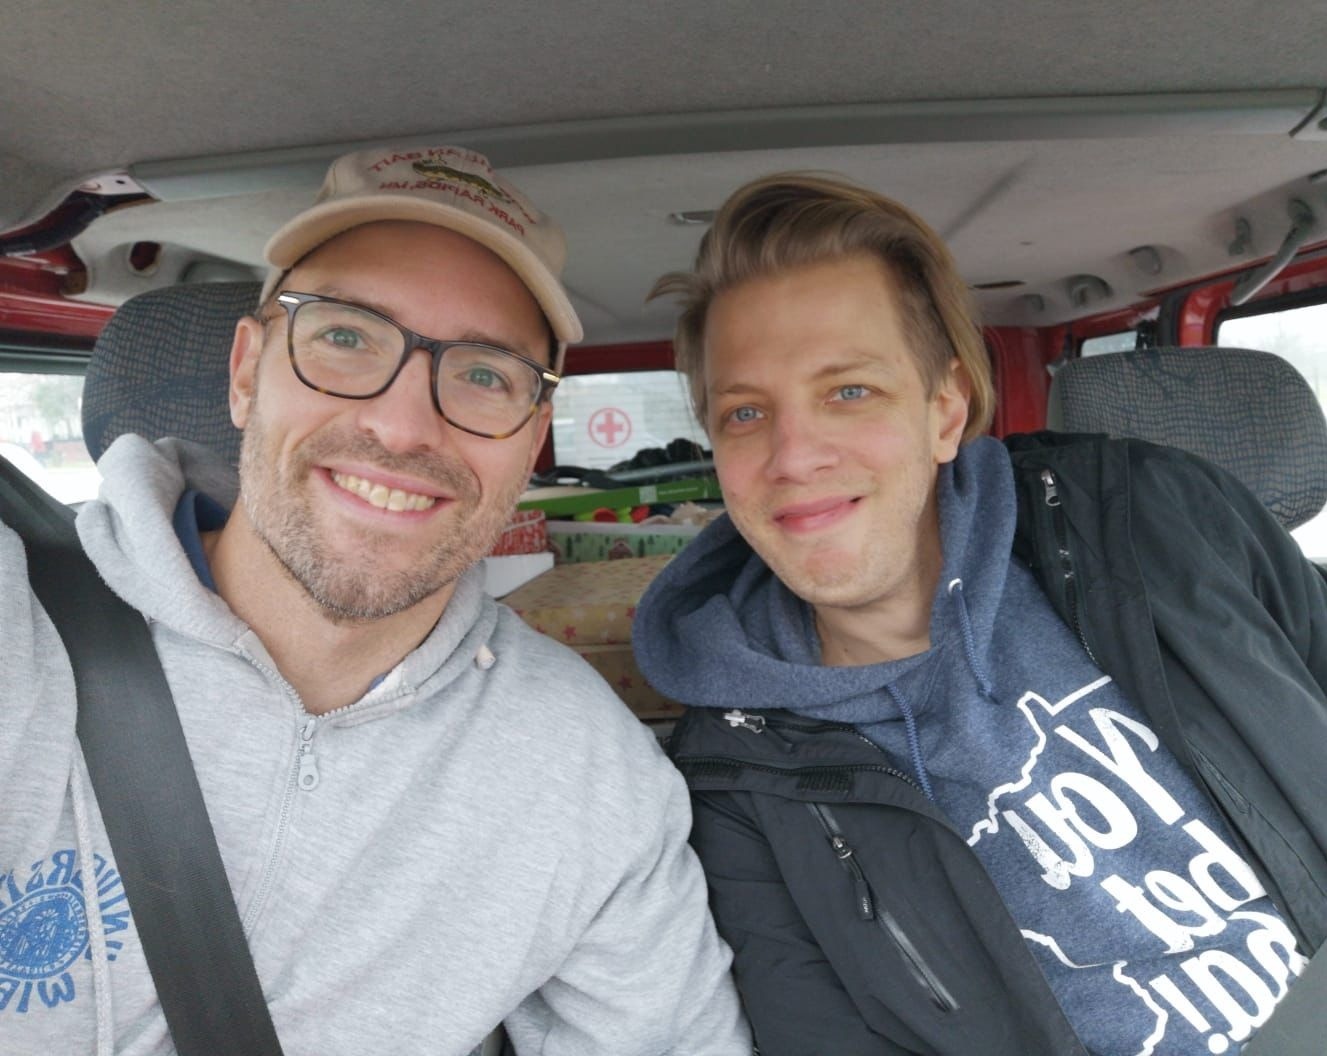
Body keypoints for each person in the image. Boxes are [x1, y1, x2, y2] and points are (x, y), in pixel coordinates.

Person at [0, 144, 750, 1055]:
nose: (401, 426)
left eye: (484, 373)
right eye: (347, 337)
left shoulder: (590, 770)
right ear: (246, 373)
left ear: (530, 442)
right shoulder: (19, 635)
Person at [633, 171, 1327, 1055]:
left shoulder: (1157, 518)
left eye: (849, 391)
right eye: (744, 412)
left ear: (944, 410)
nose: (793, 455)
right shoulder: (732, 783)